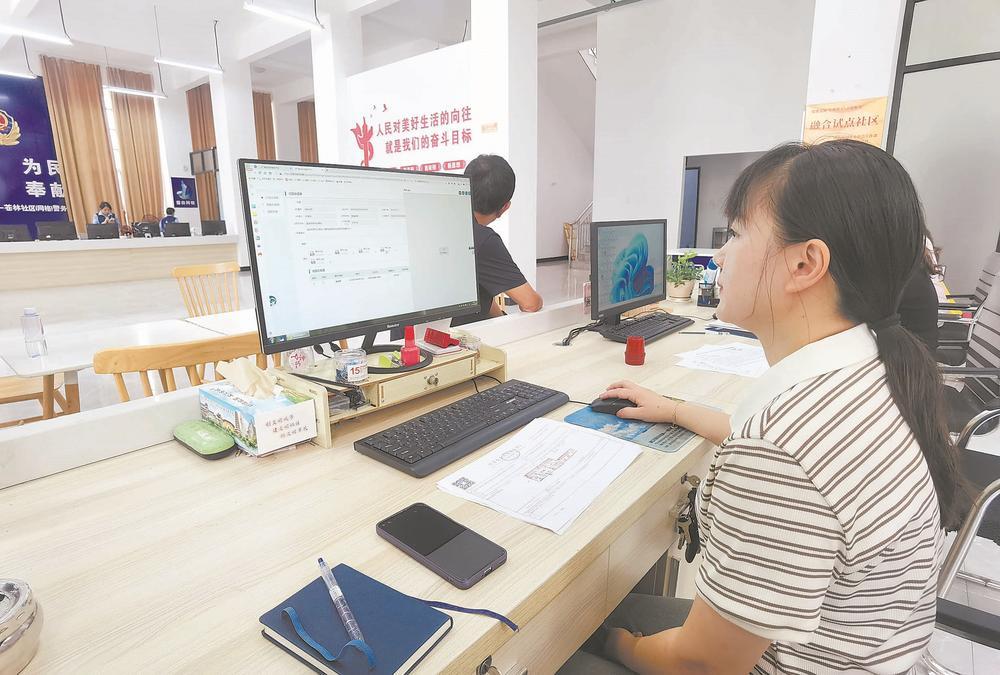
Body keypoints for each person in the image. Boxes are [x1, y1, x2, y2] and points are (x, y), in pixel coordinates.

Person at [563, 140, 964, 674]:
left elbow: (700, 666)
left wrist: (611, 643)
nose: (719, 256)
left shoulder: (781, 452)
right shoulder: (876, 367)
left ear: (805, 263)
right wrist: (676, 410)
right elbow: (792, 455)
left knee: (563, 647)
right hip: (861, 653)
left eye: (734, 234)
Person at [451, 154, 543, 326]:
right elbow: (530, 303)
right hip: (453, 339)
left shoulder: (444, 223)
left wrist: (501, 317)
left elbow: (483, 288)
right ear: (505, 207)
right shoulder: (484, 239)